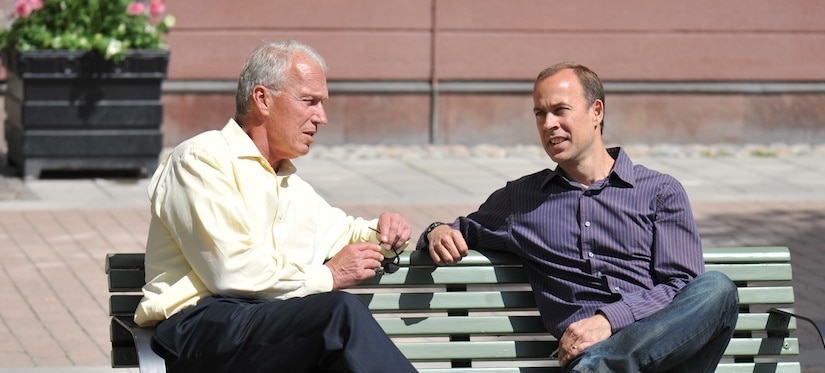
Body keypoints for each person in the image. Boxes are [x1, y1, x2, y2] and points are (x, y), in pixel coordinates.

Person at [418, 62, 739, 372]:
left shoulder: (659, 191)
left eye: (560, 110)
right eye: (540, 114)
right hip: (587, 358)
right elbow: (460, 229)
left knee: (717, 289)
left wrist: (608, 320)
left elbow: (682, 286)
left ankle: (605, 365)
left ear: (596, 111)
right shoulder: (522, 201)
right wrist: (436, 230)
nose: (548, 124)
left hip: (665, 358)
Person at [135, 40, 416, 372]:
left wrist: (383, 232)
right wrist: (329, 275)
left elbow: (342, 231)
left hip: (263, 325)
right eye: (309, 101)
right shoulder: (202, 159)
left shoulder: (289, 182)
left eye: (322, 104)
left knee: (334, 332)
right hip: (200, 326)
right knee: (337, 315)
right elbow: (231, 271)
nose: (322, 117)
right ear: (263, 99)